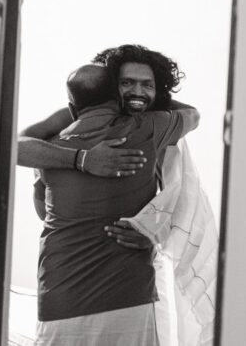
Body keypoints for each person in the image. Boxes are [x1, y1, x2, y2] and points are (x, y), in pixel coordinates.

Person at [26, 58, 199, 345]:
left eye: (146, 85)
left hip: (59, 294)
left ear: (72, 107)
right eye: (127, 85)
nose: (137, 91)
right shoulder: (149, 129)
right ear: (117, 96)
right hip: (128, 293)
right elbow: (193, 115)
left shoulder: (48, 148)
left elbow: (42, 210)